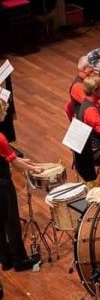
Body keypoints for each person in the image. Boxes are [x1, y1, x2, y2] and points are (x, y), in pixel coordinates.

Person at [0, 99, 42, 272]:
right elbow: (16, 164)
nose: (5, 114)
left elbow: (6, 156)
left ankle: (6, 260)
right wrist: (34, 168)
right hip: (2, 184)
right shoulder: (0, 138)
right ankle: (20, 260)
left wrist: (23, 161)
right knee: (12, 222)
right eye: (4, 111)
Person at [75, 75, 100, 184]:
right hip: (96, 150)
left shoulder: (87, 102)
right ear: (94, 91)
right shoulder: (90, 111)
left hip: (94, 145)